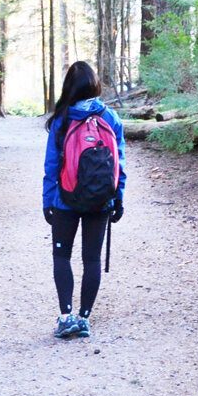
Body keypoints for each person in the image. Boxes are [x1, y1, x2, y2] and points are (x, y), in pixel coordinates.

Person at [41, 60, 126, 339]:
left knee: (61, 255)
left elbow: (51, 166)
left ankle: (66, 317)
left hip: (65, 200)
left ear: (69, 88)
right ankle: (85, 318)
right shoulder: (110, 117)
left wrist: (47, 200)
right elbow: (119, 163)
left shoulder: (62, 120)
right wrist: (118, 198)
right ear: (95, 85)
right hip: (100, 200)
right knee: (92, 259)